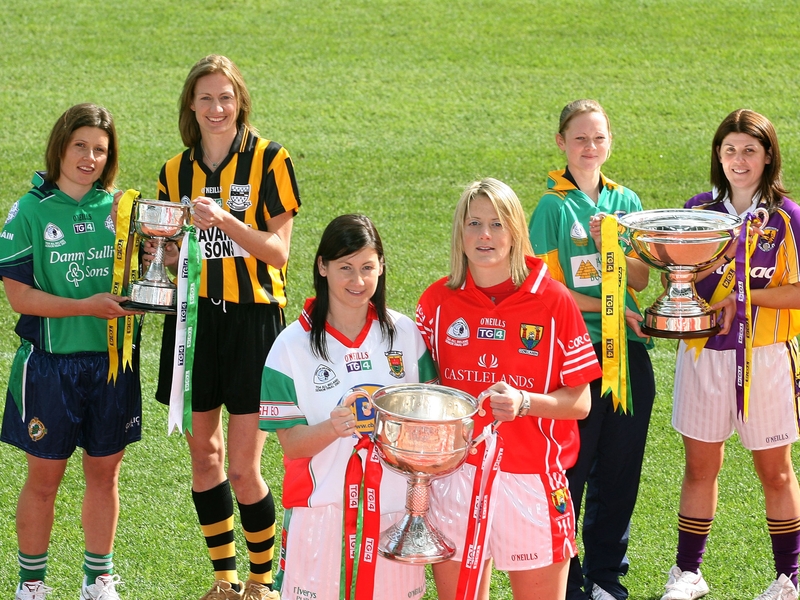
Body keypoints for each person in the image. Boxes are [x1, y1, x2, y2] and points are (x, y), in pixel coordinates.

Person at [152, 54, 301, 600]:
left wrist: (227, 223)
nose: (217, 108)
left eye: (226, 97)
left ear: (241, 101)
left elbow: (279, 254)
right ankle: (224, 578)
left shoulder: (270, 160)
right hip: (193, 322)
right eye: (206, 98)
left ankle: (262, 582)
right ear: (191, 105)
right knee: (204, 457)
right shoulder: (174, 172)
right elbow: (175, 259)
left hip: (252, 322)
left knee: (242, 467)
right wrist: (162, 254)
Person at [416, 177, 602, 600]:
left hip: (532, 479)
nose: (485, 235)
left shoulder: (554, 301)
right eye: (474, 223)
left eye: (497, 224)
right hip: (455, 477)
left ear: (516, 231)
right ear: (459, 233)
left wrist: (523, 402)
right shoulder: (436, 302)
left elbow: (580, 403)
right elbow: (423, 394)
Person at [0, 103, 142, 600]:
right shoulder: (31, 209)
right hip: (50, 369)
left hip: (112, 363)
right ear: (61, 145)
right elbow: (18, 296)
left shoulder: (122, 210)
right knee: (44, 478)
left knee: (105, 474)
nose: (89, 157)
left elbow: (147, 277)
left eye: (100, 150)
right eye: (80, 145)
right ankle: (31, 586)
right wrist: (84, 306)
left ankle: (97, 579)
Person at [259, 213, 437, 600]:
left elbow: (430, 423)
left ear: (382, 267)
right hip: (321, 512)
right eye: (345, 268)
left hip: (394, 511)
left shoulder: (406, 334)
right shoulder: (290, 347)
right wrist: (334, 427)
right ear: (322, 266)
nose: (357, 282)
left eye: (367, 268)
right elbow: (291, 445)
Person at [660, 109, 800, 600]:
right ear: (718, 156)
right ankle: (688, 574)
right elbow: (674, 276)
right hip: (704, 357)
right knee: (700, 467)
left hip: (765, 358)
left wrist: (745, 299)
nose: (739, 160)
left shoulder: (788, 217)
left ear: (768, 157)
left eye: (749, 150)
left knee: (776, 471)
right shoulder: (697, 211)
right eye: (729, 150)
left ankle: (789, 578)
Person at [527, 99, 656, 600]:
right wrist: (605, 307)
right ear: (561, 142)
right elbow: (545, 286)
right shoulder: (550, 206)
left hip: (627, 350)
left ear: (610, 143)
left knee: (621, 467)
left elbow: (642, 279)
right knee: (570, 469)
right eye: (580, 138)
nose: (590, 147)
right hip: (574, 352)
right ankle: (569, 576)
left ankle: (606, 575)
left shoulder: (627, 201)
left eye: (599, 138)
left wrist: (618, 245)